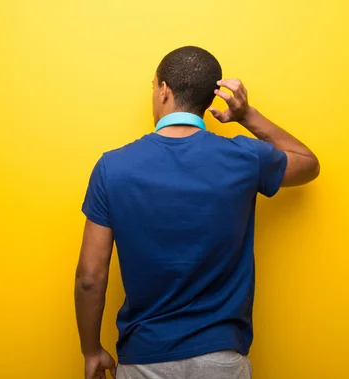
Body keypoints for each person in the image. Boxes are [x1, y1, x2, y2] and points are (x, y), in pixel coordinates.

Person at [75, 46, 320, 379]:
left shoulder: (112, 167)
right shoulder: (245, 158)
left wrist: (91, 350)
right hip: (221, 358)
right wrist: (247, 115)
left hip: (144, 356)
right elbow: (307, 163)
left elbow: (90, 278)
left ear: (164, 90)